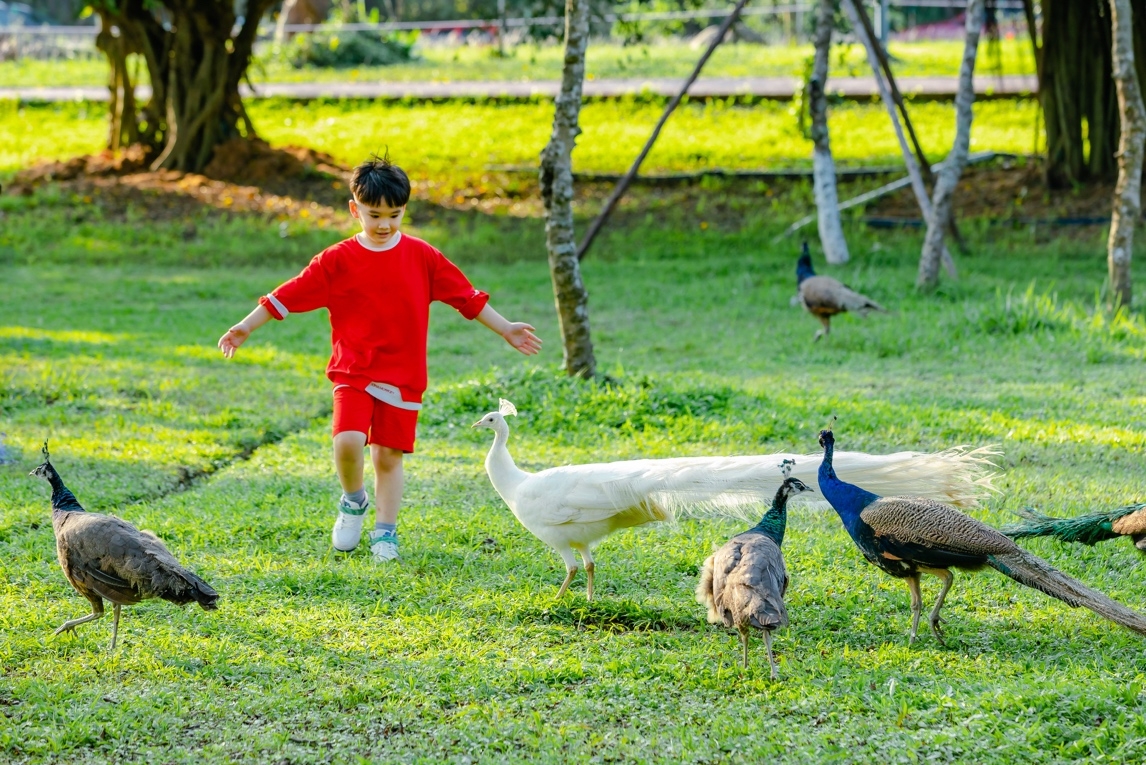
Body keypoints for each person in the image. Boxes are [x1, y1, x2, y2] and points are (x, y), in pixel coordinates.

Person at [218, 154, 541, 562]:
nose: (384, 223)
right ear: (355, 210)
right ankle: (353, 500)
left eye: (395, 214)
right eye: (374, 215)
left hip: (404, 374)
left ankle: (385, 532)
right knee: (348, 441)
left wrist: (506, 327)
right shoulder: (336, 260)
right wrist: (246, 326)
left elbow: (466, 297)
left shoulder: (422, 256)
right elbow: (289, 293)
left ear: (404, 210)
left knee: (388, 456)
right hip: (353, 369)